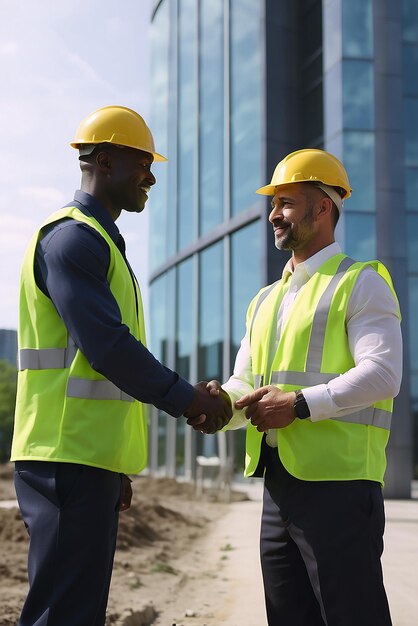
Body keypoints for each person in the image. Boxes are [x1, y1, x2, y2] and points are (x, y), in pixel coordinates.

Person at [10, 105, 231, 626]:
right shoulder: (72, 239)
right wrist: (190, 400)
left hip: (85, 460)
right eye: (141, 162)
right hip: (64, 459)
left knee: (77, 610)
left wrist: (114, 469)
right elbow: (107, 348)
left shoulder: (102, 243)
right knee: (61, 613)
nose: (150, 175)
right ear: (104, 161)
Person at [206, 149, 402, 626]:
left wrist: (298, 404)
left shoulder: (362, 282)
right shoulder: (265, 300)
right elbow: (245, 382)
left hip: (340, 486)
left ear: (323, 207)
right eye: (274, 204)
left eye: (287, 203)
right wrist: (217, 406)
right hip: (278, 486)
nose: (274, 214)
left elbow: (383, 372)